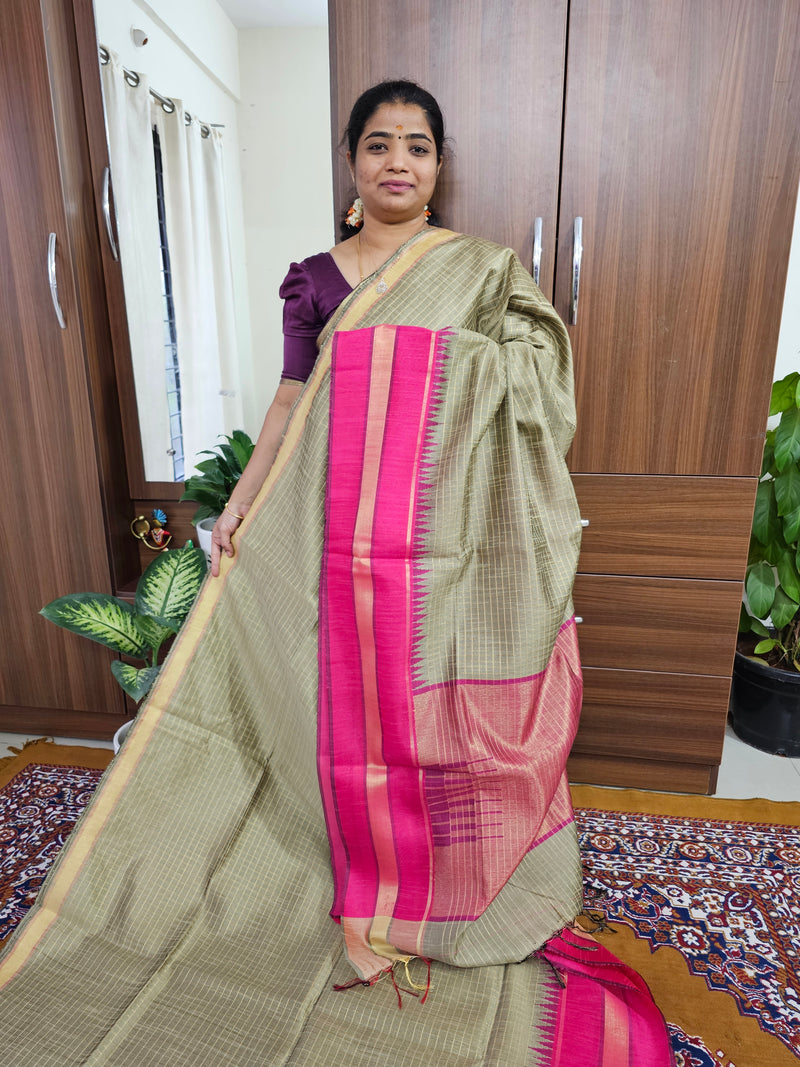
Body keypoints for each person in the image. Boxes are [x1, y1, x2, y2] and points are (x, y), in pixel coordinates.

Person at [0, 81, 672, 1065]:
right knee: (323, 700)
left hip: (439, 546)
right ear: (351, 165)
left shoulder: (479, 274)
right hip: (329, 532)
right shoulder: (314, 278)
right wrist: (237, 505)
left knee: (420, 709)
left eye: (417, 147)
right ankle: (335, 855)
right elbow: (288, 403)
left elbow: (536, 382)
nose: (397, 161)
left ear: (437, 168)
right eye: (377, 145)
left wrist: (445, 362)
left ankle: (430, 870)